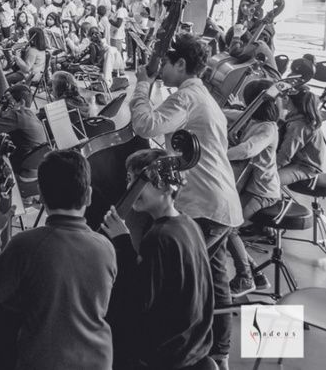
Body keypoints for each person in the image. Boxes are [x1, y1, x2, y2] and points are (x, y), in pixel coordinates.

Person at [129, 33, 242, 369]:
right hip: (221, 202)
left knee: (180, 286)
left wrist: (142, 83)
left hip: (204, 204)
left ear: (180, 64)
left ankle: (184, 358)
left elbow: (145, 124)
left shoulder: (188, 97)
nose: (160, 67)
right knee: (215, 286)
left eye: (164, 62)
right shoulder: (201, 94)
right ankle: (219, 356)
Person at [0, 150, 117, 370]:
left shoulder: (26, 244)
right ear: (88, 195)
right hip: (100, 361)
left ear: (41, 195)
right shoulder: (106, 247)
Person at [102, 149, 214, 370]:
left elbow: (137, 301)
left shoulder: (159, 237)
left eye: (138, 181)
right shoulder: (188, 223)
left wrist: (122, 242)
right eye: (129, 180)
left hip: (170, 353)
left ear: (166, 186)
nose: (130, 189)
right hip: (195, 344)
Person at [224, 79, 281, 297]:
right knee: (224, 225)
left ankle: (245, 277)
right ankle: (257, 274)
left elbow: (248, 149)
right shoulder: (252, 119)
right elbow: (226, 113)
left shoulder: (268, 128)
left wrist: (219, 154)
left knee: (228, 227)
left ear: (257, 102)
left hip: (262, 191)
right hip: (249, 187)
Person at [0, 84, 45, 174]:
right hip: (35, 164)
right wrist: (3, 110)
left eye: (11, 101)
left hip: (22, 165)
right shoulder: (31, 114)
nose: (9, 104)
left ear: (21, 102)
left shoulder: (17, 115)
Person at [277, 87, 326, 186]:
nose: (282, 100)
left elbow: (285, 155)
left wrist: (269, 168)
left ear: (289, 100)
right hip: (298, 159)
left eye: (284, 98)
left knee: (267, 181)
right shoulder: (297, 117)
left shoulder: (299, 126)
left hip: (306, 167)